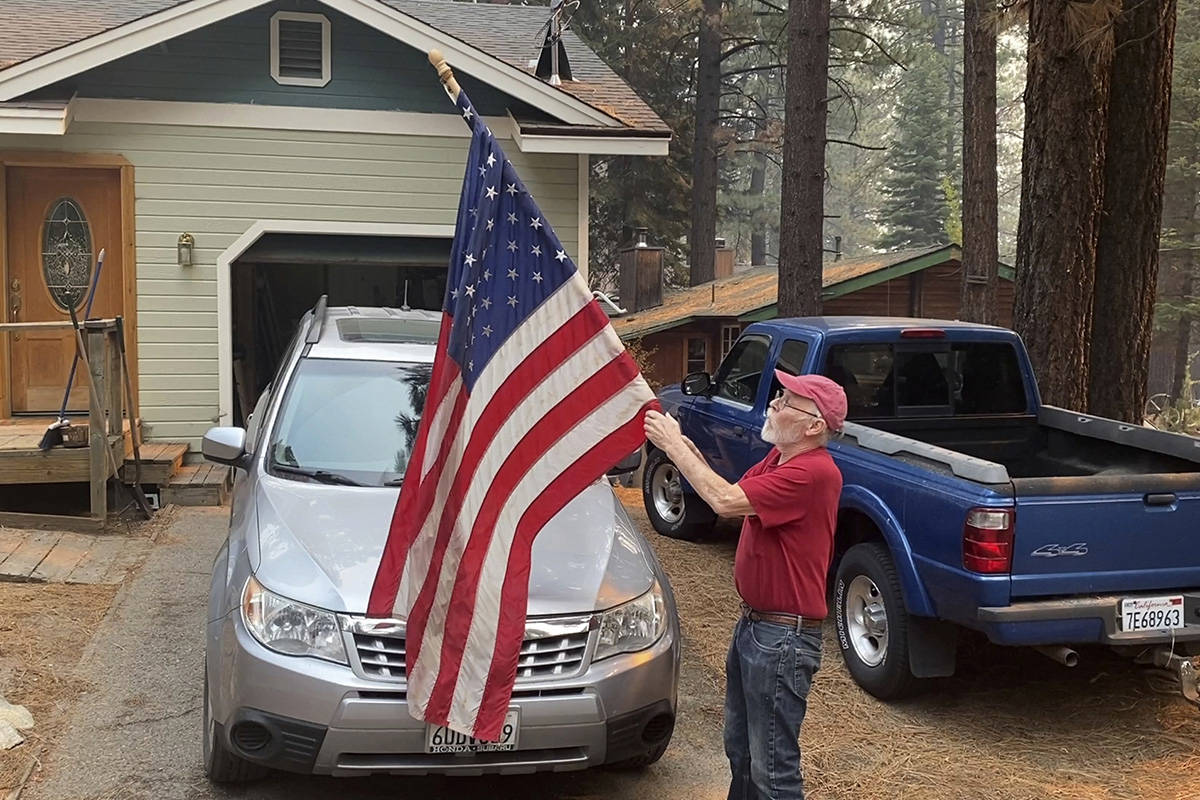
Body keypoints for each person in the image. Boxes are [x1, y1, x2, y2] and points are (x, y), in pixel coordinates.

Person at [643, 371, 847, 800]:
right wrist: (681, 440)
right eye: (779, 395)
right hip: (757, 629)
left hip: (782, 639)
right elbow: (727, 486)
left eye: (787, 401)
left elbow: (724, 501)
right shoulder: (779, 461)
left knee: (773, 770)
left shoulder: (813, 473)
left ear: (813, 426)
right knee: (742, 753)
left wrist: (673, 445)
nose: (773, 403)